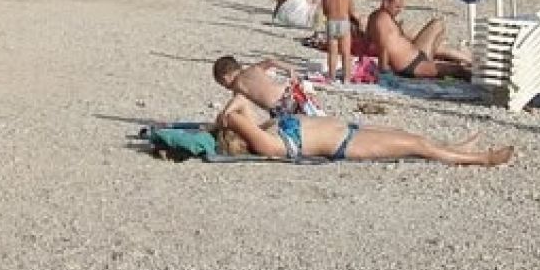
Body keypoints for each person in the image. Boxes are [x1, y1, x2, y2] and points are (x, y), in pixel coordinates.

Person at [213, 94, 514, 166]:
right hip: (348, 143)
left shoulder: (266, 131)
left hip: (350, 130)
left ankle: (458, 147)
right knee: (416, 147)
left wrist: (224, 118)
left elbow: (241, 100)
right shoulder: (266, 144)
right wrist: (220, 123)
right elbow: (237, 113)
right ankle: (482, 160)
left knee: (413, 139)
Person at [366, 0, 472, 78]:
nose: (399, 10)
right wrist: (384, 71)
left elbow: (377, 40)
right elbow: (383, 45)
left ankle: (430, 62)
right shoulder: (381, 18)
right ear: (385, 3)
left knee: (438, 24)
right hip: (411, 65)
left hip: (416, 55)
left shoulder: (384, 17)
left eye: (401, 7)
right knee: (458, 70)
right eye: (397, 7)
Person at [211, 55, 308, 118]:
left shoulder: (237, 85)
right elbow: (270, 61)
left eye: (222, 84)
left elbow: (238, 101)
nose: (225, 87)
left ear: (226, 78)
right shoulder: (254, 68)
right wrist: (289, 69)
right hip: (290, 92)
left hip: (279, 107)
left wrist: (226, 112)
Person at [321, 0, 361, 83]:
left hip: (331, 22)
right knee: (346, 52)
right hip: (344, 23)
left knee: (332, 52)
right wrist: (359, 21)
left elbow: (325, 11)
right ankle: (346, 77)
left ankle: (332, 76)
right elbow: (351, 11)